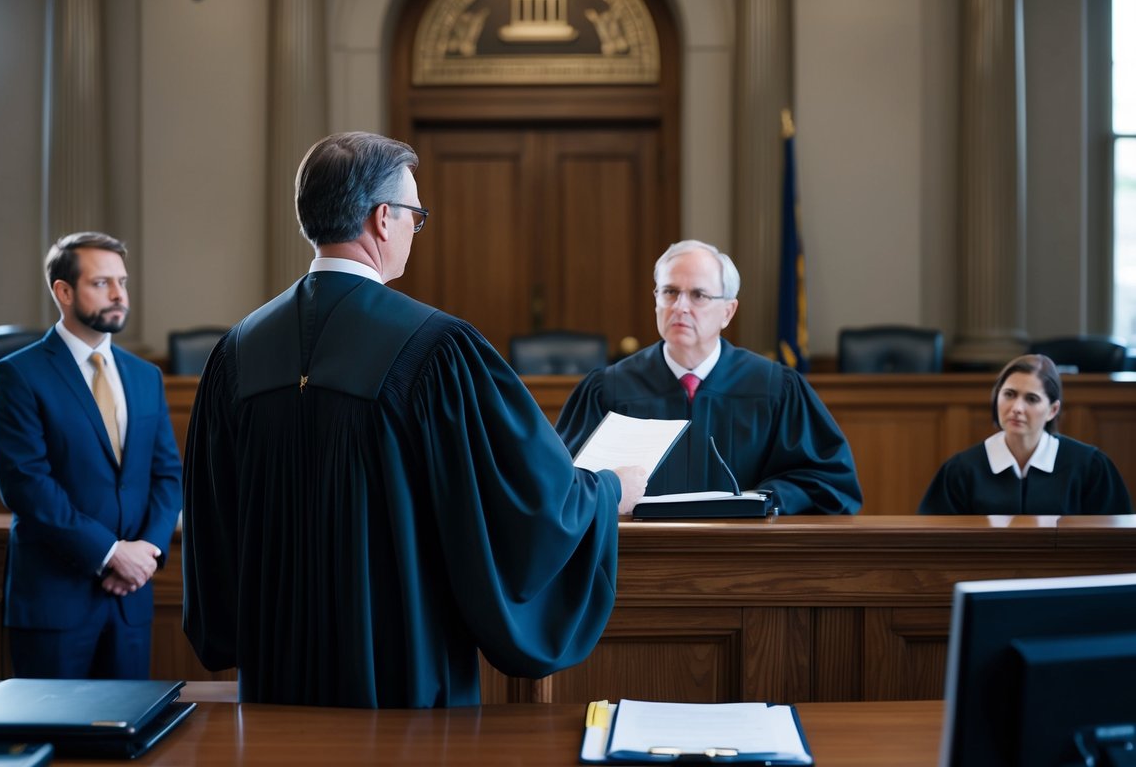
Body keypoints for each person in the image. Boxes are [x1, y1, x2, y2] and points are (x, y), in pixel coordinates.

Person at [181, 131, 646, 708]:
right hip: (400, 665)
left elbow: (212, 522)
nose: (413, 231)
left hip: (278, 663)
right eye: (414, 216)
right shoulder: (436, 348)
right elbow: (524, 498)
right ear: (382, 218)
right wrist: (605, 492)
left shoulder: (237, 352)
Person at [0, 232, 182, 678]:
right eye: (102, 283)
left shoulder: (145, 376)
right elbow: (27, 486)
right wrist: (111, 552)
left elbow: (168, 475)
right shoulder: (17, 375)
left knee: (129, 739)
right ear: (64, 291)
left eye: (123, 282)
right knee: (53, 741)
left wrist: (145, 551)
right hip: (55, 601)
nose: (118, 295)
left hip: (131, 598)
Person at [555, 239, 862, 515]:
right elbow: (563, 486)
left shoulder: (773, 387)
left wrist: (764, 500)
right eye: (670, 292)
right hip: (634, 559)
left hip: (746, 558)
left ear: (728, 311)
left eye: (699, 295)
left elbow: (827, 480)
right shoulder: (609, 389)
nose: (680, 307)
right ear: (656, 299)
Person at [919, 354, 1132, 514]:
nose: (1017, 408)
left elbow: (1116, 544)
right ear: (996, 399)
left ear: (1053, 410)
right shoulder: (960, 470)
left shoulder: (1090, 467)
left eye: (1031, 399)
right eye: (1009, 395)